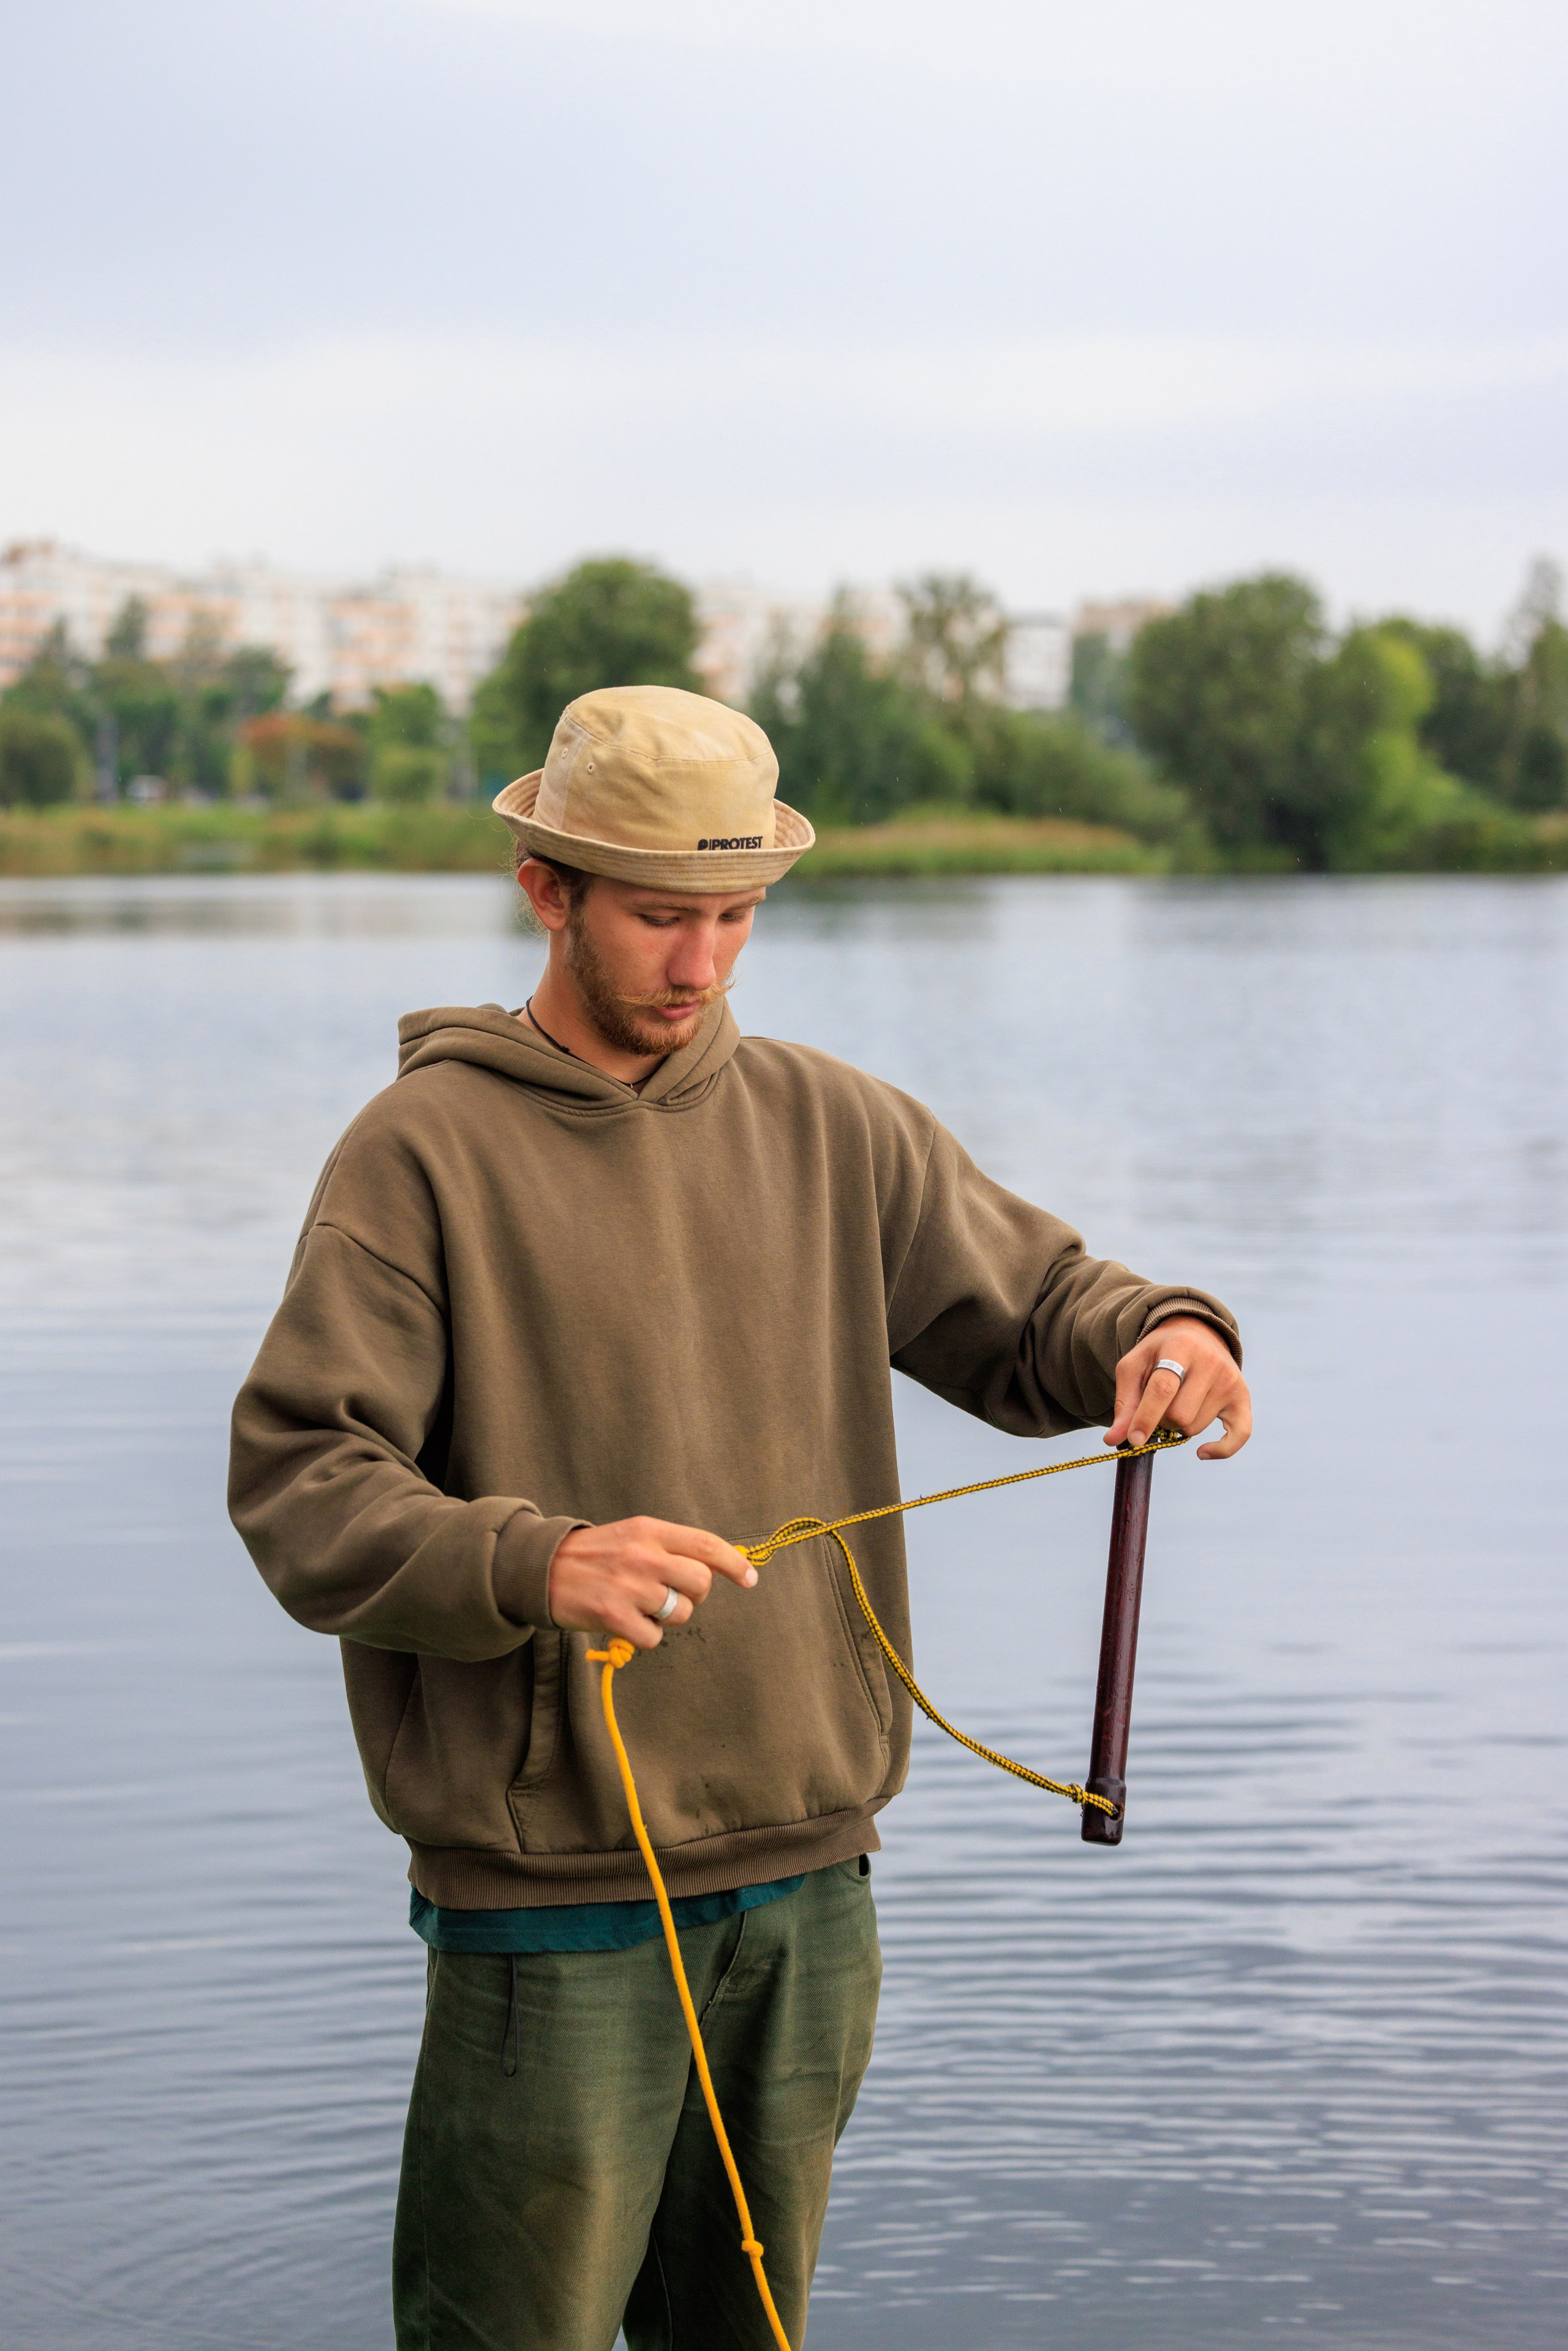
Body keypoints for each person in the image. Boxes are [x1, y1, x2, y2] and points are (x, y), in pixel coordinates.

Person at [229, 684, 1250, 2351]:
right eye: (659, 917)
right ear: (547, 888)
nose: (701, 965)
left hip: (809, 1896)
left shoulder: (837, 1127)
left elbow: (1043, 1303)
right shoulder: (417, 1156)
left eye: (735, 918)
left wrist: (1167, 1334)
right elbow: (300, 1485)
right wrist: (534, 1560)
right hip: (547, 1900)